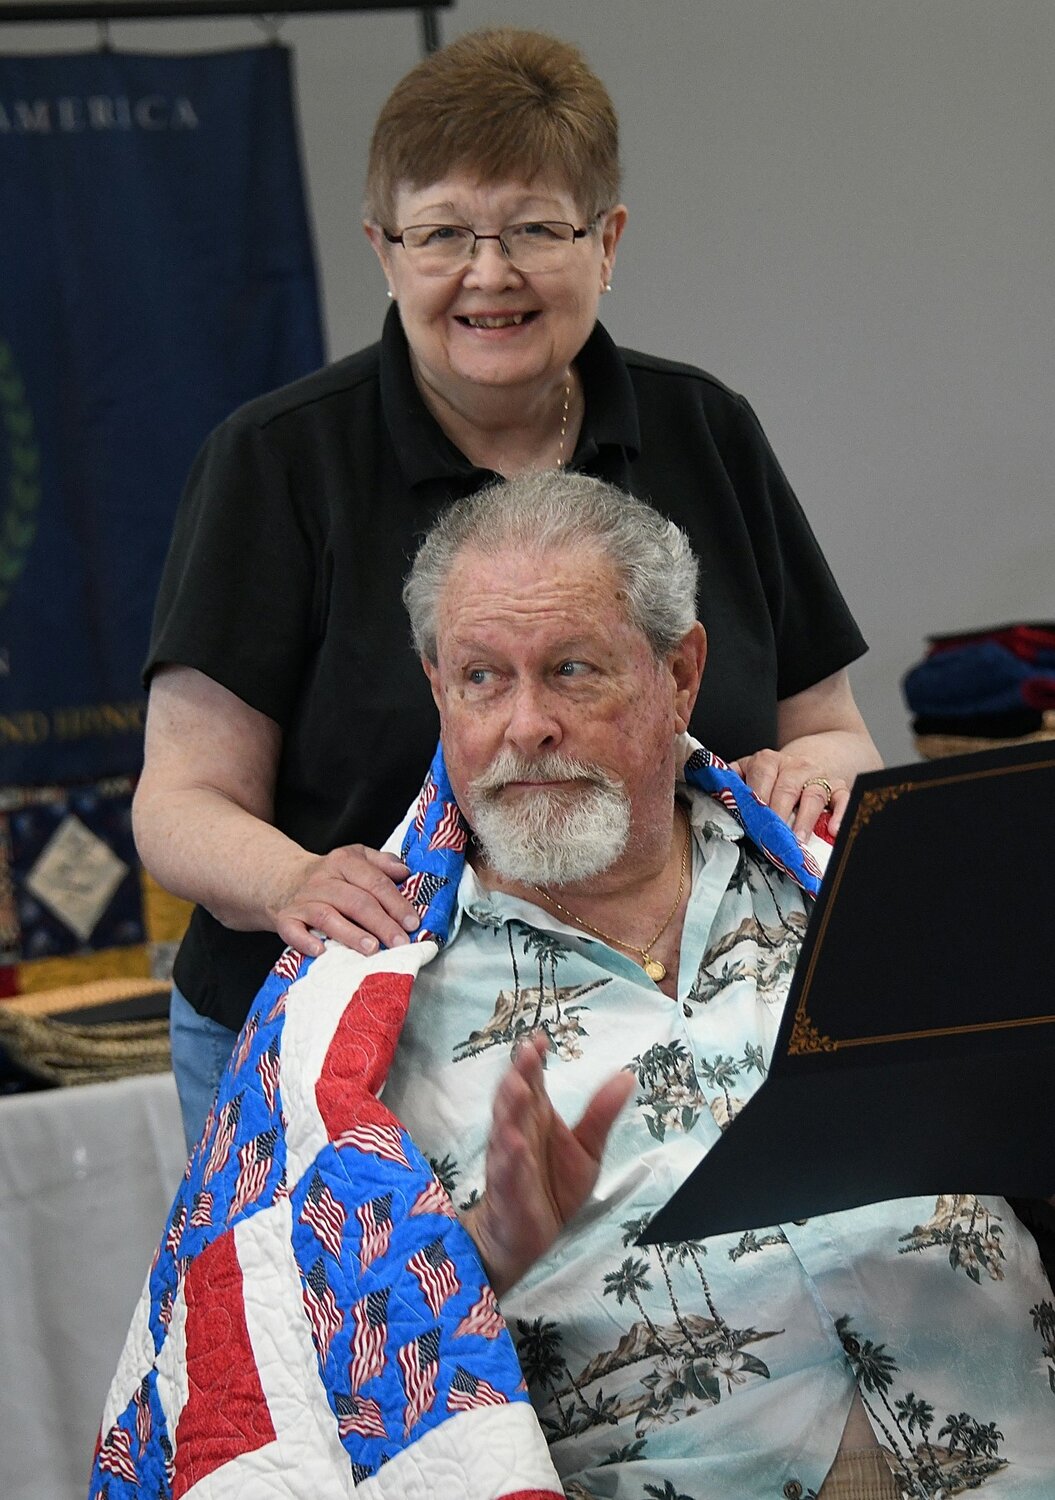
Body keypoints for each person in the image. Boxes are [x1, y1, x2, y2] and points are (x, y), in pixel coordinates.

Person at [96, 474, 1052, 1500]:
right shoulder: (354, 1001)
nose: (526, 725)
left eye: (571, 669)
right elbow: (286, 1379)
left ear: (678, 673)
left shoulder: (845, 873)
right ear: (435, 688)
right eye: (480, 679)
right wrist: (483, 1257)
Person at [133, 27, 881, 1151]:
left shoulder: (706, 431)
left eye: (534, 228)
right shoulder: (275, 461)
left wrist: (809, 778)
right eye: (441, 235)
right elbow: (178, 804)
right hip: (350, 1043)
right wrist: (293, 878)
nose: (489, 274)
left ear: (607, 240)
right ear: (383, 250)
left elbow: (833, 737)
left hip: (666, 1032)